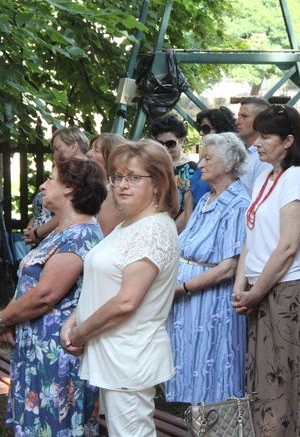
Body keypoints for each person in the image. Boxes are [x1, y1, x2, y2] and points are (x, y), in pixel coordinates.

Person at [61, 140, 180, 437]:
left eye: (134, 178)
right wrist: (74, 318)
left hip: (130, 356)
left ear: (158, 184)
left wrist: (79, 332)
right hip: (115, 353)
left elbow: (127, 301)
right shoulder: (130, 224)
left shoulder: (152, 229)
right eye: (117, 177)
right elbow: (105, 283)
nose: (122, 185)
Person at [231, 104, 300, 436]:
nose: (256, 142)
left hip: (289, 291)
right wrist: (241, 286)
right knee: (263, 380)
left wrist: (254, 293)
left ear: (287, 140)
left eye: (265, 136)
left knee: (283, 381)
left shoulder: (297, 176)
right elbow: (251, 239)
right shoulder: (266, 177)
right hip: (262, 288)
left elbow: (287, 248)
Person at [1, 158, 106, 435]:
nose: (43, 185)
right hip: (38, 350)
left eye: (50, 178)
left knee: (56, 426)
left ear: (70, 188)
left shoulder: (80, 236)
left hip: (57, 356)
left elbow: (45, 295)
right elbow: (29, 285)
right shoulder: (62, 231)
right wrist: (13, 319)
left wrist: (2, 318)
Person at [165, 132, 250, 403]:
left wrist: (183, 288)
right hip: (189, 304)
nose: (200, 164)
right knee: (192, 371)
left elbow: (228, 267)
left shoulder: (238, 205)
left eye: (207, 158)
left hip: (211, 306)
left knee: (213, 375)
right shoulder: (205, 200)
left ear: (228, 165)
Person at [23, 127, 89, 247]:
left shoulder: (84, 174)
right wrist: (30, 228)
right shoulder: (62, 171)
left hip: (59, 244)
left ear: (74, 147)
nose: (54, 155)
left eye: (57, 149)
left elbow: (71, 212)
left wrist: (37, 233)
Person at [150, 114, 197, 231]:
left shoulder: (189, 168)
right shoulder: (152, 165)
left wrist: (170, 233)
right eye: (160, 144)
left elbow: (188, 208)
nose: (165, 148)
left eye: (170, 144)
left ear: (181, 140)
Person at [189, 106, 238, 204]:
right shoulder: (201, 160)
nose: (201, 133)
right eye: (200, 128)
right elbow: (191, 198)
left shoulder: (231, 160)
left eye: (205, 128)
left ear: (221, 129)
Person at [86, 133, 127, 235]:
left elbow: (104, 233)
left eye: (96, 151)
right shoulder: (92, 184)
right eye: (90, 148)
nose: (88, 154)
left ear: (111, 157)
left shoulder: (116, 192)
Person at [235, 97, 273, 196]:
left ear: (260, 120)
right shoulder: (240, 151)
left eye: (244, 116)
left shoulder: (264, 157)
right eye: (238, 116)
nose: (237, 122)